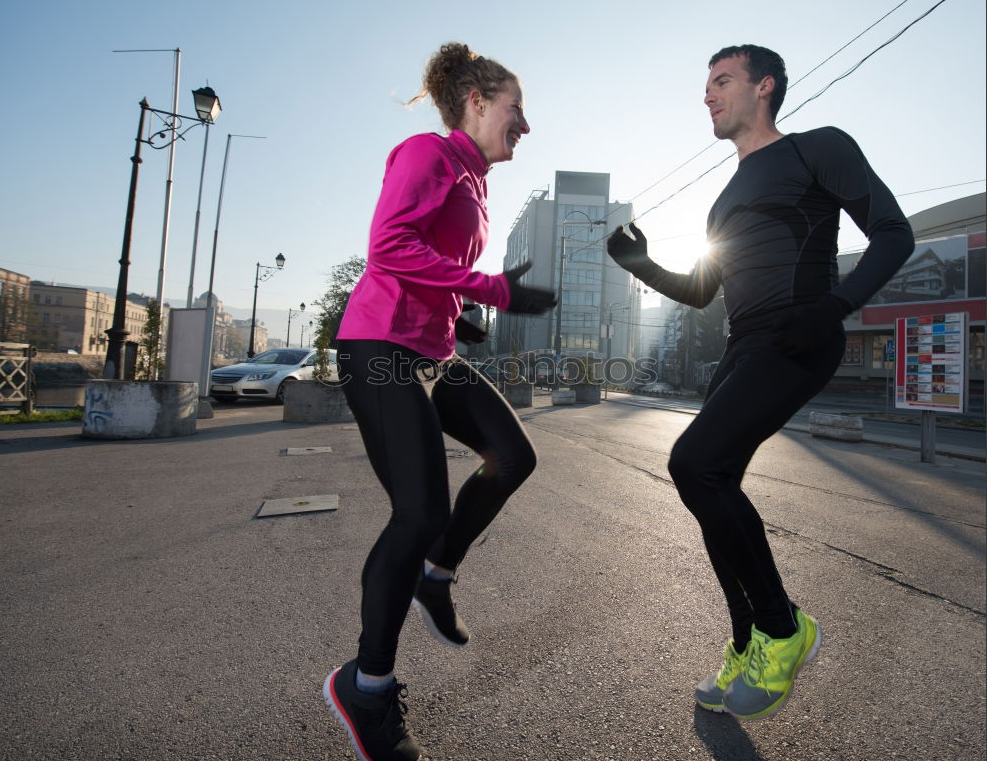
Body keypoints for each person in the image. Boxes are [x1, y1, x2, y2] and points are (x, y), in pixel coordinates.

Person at [607, 44, 914, 721]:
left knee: (693, 462)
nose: (708, 96)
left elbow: (894, 233)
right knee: (707, 482)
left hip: (799, 333)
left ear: (763, 86)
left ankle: (782, 629)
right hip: (742, 346)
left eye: (722, 81)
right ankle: (746, 641)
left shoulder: (815, 149)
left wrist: (833, 308)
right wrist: (643, 263)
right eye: (706, 85)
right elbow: (698, 290)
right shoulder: (723, 199)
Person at [323, 43, 555, 761]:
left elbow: (436, 268)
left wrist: (464, 307)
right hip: (380, 348)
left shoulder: (475, 181)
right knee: (418, 511)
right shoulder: (427, 153)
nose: (526, 125)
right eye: (517, 109)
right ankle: (366, 687)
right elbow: (389, 247)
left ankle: (437, 575)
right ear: (478, 102)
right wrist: (492, 289)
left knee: (513, 456)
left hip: (431, 351)